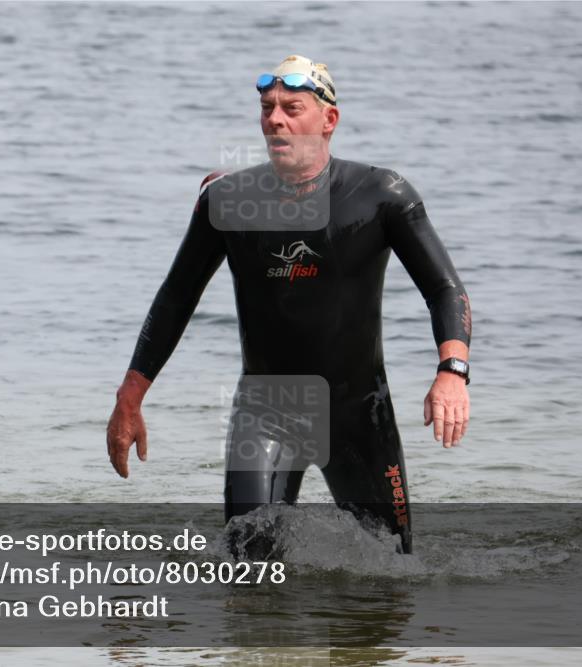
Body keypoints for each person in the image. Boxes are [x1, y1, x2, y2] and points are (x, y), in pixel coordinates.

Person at [106, 55, 472, 553]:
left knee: (393, 570)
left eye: (292, 107)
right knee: (246, 564)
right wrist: (129, 398)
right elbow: (176, 298)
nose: (275, 118)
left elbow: (444, 289)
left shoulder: (381, 195)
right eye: (267, 107)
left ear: (329, 121)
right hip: (266, 411)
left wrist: (452, 372)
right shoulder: (226, 201)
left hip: (359, 410)